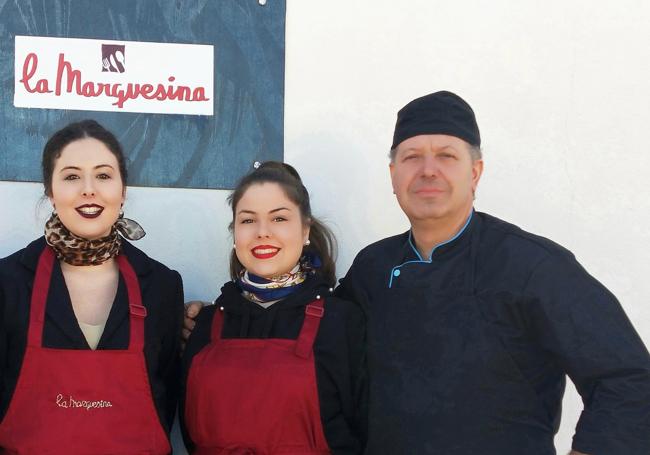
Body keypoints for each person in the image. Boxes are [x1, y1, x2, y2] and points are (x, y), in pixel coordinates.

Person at [335, 91, 650, 454]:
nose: (428, 170)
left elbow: (628, 379)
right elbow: (325, 354)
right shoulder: (373, 267)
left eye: (446, 156)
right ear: (393, 175)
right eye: (412, 157)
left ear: (475, 172)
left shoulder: (533, 266)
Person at [0, 120, 183, 454]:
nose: (89, 189)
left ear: (123, 191)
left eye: (103, 175)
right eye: (71, 176)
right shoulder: (8, 282)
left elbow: (167, 396)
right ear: (51, 193)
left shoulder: (161, 286)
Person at [181, 162, 366, 454]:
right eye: (248, 220)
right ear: (235, 233)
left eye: (279, 219)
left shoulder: (342, 323)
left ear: (305, 229)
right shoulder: (204, 324)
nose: (262, 232)